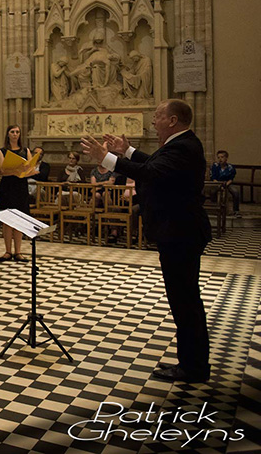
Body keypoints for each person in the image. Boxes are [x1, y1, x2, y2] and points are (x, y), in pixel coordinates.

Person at [81, 99, 212, 383]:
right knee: (184, 300)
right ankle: (190, 361)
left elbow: (150, 172)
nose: (153, 121)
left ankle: (194, 367)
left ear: (173, 120)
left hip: (181, 233)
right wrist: (125, 150)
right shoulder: (181, 145)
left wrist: (106, 157)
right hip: (178, 232)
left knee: (185, 301)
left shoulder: (184, 147)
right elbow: (154, 164)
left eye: (157, 116)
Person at [0, 125, 37, 262]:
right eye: (12, 132)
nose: (15, 134)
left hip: (20, 186)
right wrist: (17, 170)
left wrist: (23, 171)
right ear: (8, 134)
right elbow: (3, 170)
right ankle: (8, 251)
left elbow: (30, 169)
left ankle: (18, 251)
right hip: (8, 186)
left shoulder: (25, 150)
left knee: (19, 219)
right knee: (7, 219)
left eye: (17, 132)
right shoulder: (2, 151)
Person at [209, 150, 241, 217]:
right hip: (217, 183)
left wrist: (226, 185)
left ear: (226, 158)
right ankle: (215, 208)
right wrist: (219, 185)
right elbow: (213, 177)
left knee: (235, 192)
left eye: (222, 157)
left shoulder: (230, 167)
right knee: (212, 192)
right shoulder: (215, 166)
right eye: (219, 157)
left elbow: (231, 179)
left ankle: (236, 210)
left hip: (227, 183)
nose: (220, 159)